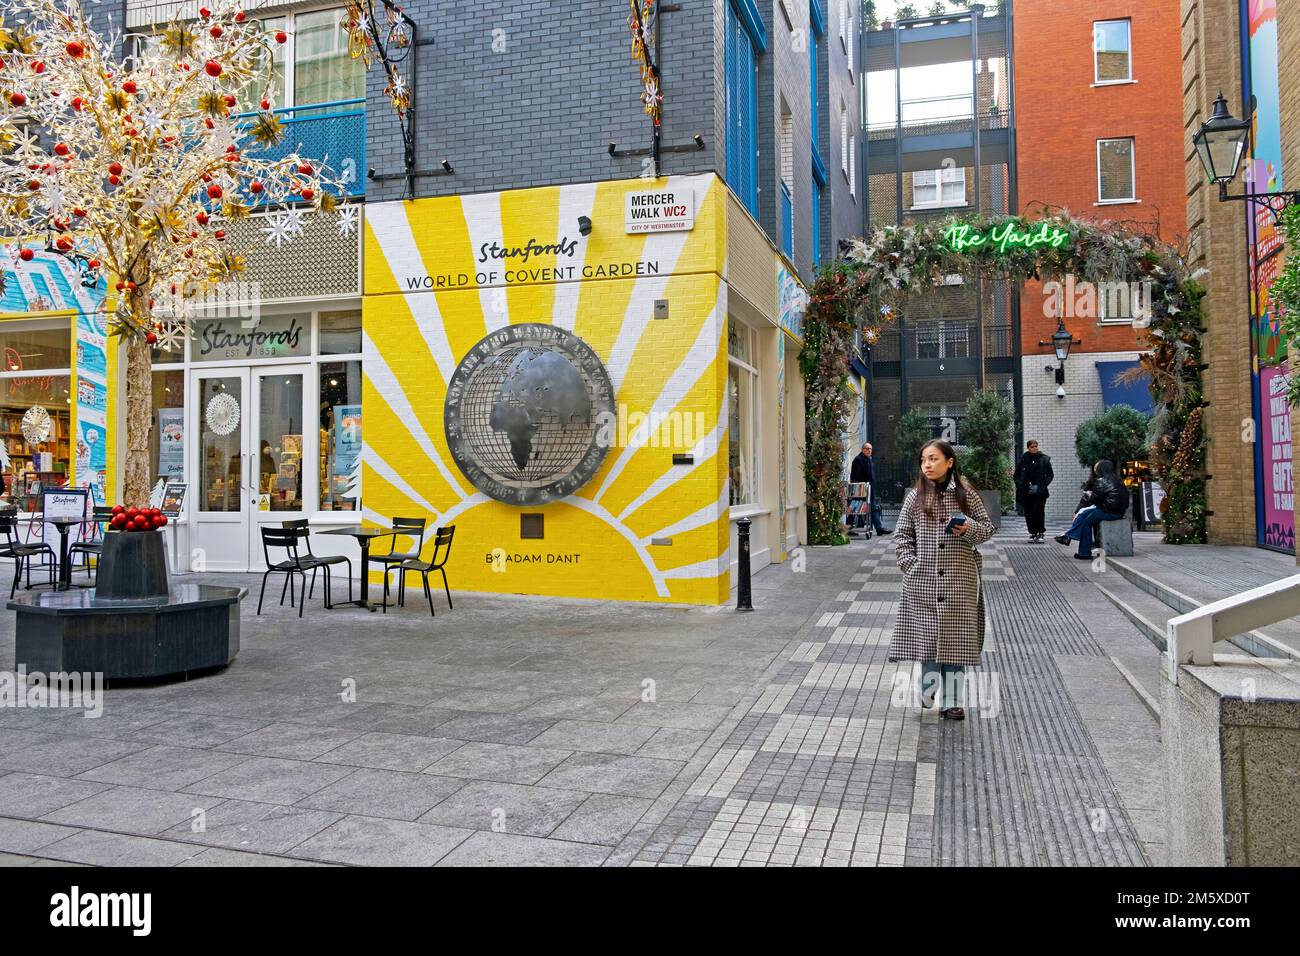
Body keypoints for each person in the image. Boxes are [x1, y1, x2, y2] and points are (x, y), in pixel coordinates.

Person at [889, 439, 995, 721]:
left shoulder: (966, 495)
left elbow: (987, 530)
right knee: (928, 638)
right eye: (924, 459)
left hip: (959, 581)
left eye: (934, 459)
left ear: (950, 462)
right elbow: (902, 535)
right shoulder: (914, 497)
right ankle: (928, 688)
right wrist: (909, 565)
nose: (927, 465)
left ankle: (952, 701)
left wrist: (967, 528)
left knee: (956, 642)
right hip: (922, 581)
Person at [1055, 459, 1130, 560]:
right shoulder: (1118, 480)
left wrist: (1088, 494)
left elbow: (1095, 499)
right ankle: (1070, 539)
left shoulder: (1101, 481)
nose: (1094, 470)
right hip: (1116, 511)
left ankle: (1081, 549)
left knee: (1086, 522)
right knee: (1083, 515)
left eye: (1096, 467)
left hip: (1108, 511)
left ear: (1101, 469)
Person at [1013, 439, 1054, 543]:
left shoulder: (1044, 459)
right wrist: (1021, 485)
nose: (1034, 448)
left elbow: (1050, 474)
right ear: (1028, 448)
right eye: (1032, 446)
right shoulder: (1023, 460)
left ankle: (1040, 532)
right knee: (1029, 513)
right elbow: (1016, 476)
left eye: (1036, 446)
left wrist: (1043, 485)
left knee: (1038, 512)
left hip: (1040, 492)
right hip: (1027, 492)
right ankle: (1033, 532)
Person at [849, 442, 890, 536]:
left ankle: (879, 528)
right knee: (854, 508)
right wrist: (858, 489)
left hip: (869, 490)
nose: (869, 450)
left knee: (873, 508)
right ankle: (849, 529)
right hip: (861, 490)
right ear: (862, 449)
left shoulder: (868, 459)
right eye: (867, 448)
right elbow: (854, 477)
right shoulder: (858, 460)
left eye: (870, 449)